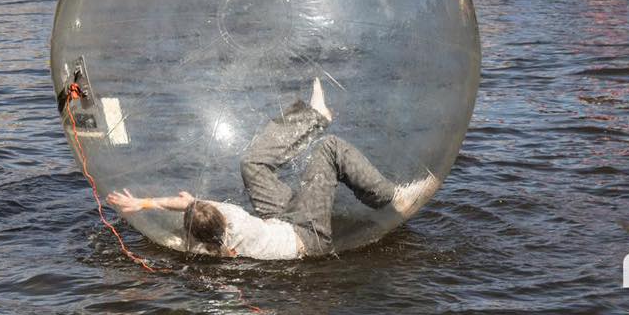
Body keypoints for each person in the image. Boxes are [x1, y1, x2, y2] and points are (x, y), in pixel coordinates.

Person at [107, 78, 438, 259]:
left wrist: (141, 205)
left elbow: (187, 207)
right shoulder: (233, 219)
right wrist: (146, 203)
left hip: (278, 223)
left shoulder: (209, 244)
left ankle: (315, 116)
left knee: (251, 165)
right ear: (219, 215)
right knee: (331, 149)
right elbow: (184, 202)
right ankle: (390, 197)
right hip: (309, 237)